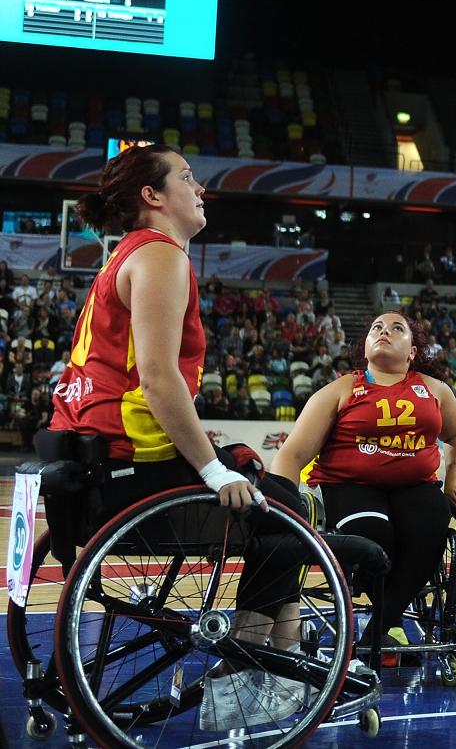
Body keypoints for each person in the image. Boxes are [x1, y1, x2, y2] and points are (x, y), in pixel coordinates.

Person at [46, 143, 308, 729]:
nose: (200, 188)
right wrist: (213, 471)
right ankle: (257, 668)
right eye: (187, 178)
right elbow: (160, 379)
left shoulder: (126, 257)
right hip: (129, 466)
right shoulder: (161, 257)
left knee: (265, 489)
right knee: (286, 506)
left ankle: (258, 656)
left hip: (97, 456)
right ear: (153, 196)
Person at [269, 311, 456, 659]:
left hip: (414, 486)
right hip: (350, 485)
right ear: (365, 348)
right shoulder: (341, 389)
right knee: (372, 538)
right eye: (377, 327)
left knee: (432, 523)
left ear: (411, 352)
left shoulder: (434, 389)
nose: (384, 332)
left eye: (396, 329)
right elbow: (291, 455)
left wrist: (453, 478)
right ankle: (388, 626)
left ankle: (379, 627)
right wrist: (286, 507)